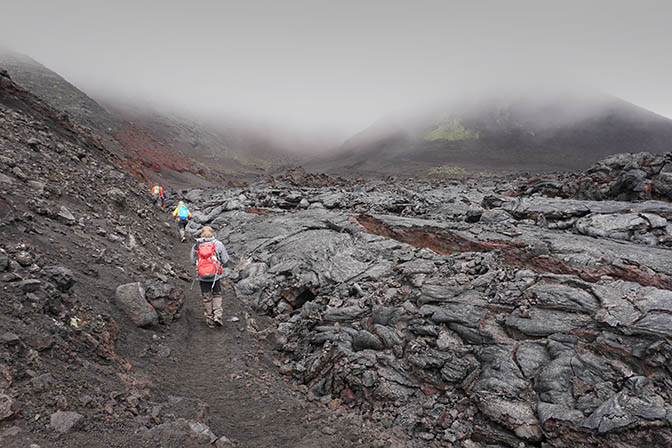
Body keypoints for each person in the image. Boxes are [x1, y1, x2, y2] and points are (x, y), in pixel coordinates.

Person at [190, 226, 229, 328]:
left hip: (202, 276)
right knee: (217, 295)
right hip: (215, 275)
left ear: (201, 234)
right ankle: (218, 316)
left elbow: (192, 261)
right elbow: (225, 260)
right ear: (212, 233)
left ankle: (209, 320)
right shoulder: (218, 244)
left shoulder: (197, 245)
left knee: (207, 298)